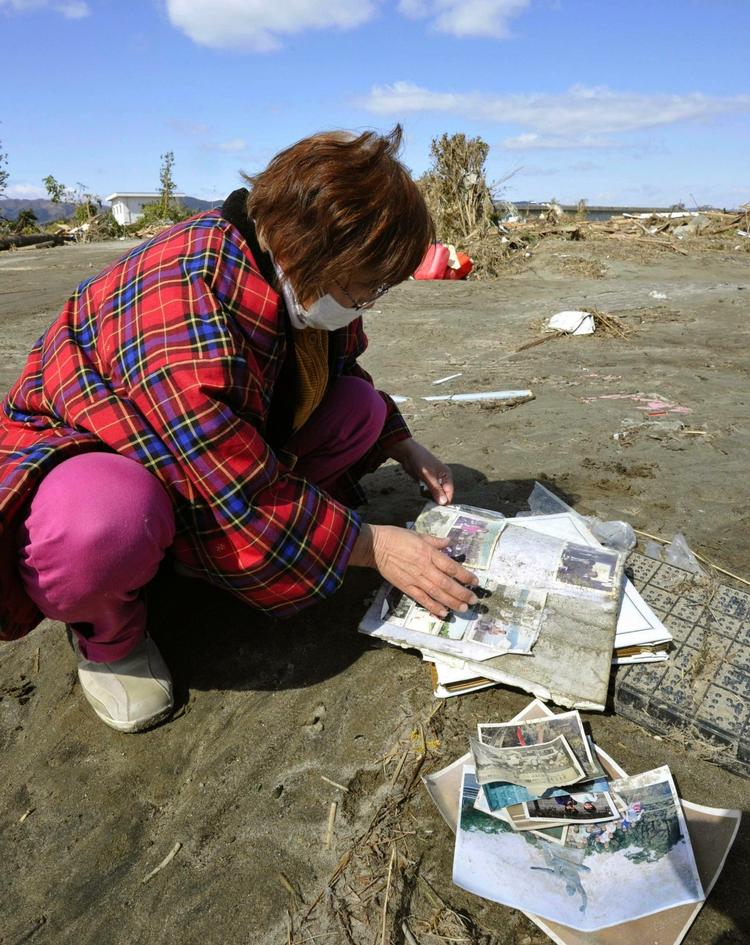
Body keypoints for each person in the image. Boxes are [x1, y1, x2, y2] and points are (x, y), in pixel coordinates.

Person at [0, 127, 478, 733]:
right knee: (106, 521)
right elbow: (230, 482)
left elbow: (340, 367)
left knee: (360, 408)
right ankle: (108, 636)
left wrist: (398, 441)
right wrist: (372, 545)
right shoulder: (181, 301)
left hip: (195, 454)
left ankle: (206, 554)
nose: (372, 300)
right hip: (89, 457)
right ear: (313, 245)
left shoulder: (285, 269)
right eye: (368, 284)